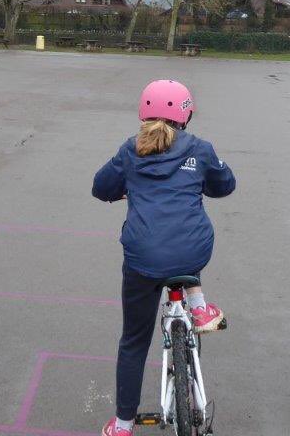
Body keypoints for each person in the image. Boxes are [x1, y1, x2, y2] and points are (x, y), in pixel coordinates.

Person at [92, 80, 236, 436]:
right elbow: (226, 184)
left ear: (144, 112)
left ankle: (124, 424)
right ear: (184, 114)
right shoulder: (200, 150)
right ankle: (198, 305)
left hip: (143, 258)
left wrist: (124, 188)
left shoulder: (130, 150)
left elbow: (100, 187)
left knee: (134, 340)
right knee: (186, 235)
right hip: (192, 250)